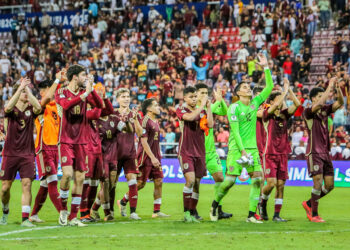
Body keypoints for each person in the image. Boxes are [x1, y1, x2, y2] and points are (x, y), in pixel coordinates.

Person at [210, 54, 273, 223]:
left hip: (252, 148)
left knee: (257, 180)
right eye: (244, 86)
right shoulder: (233, 108)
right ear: (238, 92)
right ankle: (215, 204)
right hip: (237, 149)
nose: (248, 88)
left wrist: (266, 67)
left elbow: (270, 87)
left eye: (248, 86)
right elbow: (235, 132)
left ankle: (251, 215)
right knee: (230, 181)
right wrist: (243, 151)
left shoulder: (254, 104)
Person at [55, 65, 103, 227]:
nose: (85, 78)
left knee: (81, 178)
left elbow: (99, 105)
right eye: (84, 75)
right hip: (66, 140)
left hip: (82, 141)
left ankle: (74, 216)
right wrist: (86, 95)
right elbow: (66, 105)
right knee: (67, 175)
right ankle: (63, 209)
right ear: (74, 77)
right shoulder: (61, 92)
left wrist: (92, 90)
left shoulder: (85, 92)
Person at [0, 77, 41, 227]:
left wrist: (27, 89)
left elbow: (38, 107)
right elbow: (7, 108)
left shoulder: (31, 108)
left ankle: (25, 219)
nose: (25, 93)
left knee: (27, 184)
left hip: (27, 153)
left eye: (26, 91)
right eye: (23, 91)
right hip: (10, 153)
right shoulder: (11, 109)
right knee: (5, 189)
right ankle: (5, 211)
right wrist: (20, 88)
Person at [302, 77, 344, 223]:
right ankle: (314, 214)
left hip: (325, 152)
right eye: (320, 96)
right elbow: (320, 103)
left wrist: (337, 88)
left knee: (330, 185)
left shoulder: (325, 110)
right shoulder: (308, 112)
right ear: (313, 98)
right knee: (318, 183)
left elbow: (340, 103)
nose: (323, 99)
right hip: (314, 152)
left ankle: (308, 203)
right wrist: (329, 85)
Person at [259, 78, 301, 222]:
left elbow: (297, 104)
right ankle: (262, 202)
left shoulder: (284, 115)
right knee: (271, 183)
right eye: (279, 99)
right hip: (270, 153)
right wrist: (283, 91)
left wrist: (289, 90)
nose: (282, 102)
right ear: (272, 102)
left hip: (283, 153)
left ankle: (277, 215)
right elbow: (275, 104)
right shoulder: (267, 114)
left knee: (281, 185)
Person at [29, 71, 66, 223]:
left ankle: (33, 215)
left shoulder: (56, 107)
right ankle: (63, 213)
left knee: (45, 183)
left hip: (55, 147)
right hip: (43, 148)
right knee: (52, 181)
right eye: (52, 89)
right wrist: (57, 79)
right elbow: (49, 97)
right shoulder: (40, 105)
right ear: (44, 91)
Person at [195, 84, 232, 221]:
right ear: (196, 95)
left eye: (206, 92)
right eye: (201, 93)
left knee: (220, 178)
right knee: (195, 183)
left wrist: (220, 99)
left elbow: (225, 112)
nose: (205, 95)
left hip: (210, 152)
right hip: (197, 152)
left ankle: (217, 208)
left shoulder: (210, 107)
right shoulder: (194, 110)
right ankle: (193, 210)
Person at [176, 86, 213, 222]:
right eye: (191, 97)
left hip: (200, 151)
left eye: (195, 96)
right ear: (185, 98)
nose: (193, 99)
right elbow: (191, 118)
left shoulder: (202, 110)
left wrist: (208, 108)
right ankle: (186, 214)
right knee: (190, 180)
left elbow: (210, 124)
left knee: (197, 183)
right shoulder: (181, 109)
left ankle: (192, 213)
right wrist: (202, 105)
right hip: (186, 150)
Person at [80, 83, 114, 222]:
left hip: (97, 149)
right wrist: (99, 99)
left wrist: (104, 98)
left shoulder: (96, 109)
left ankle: (88, 212)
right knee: (86, 182)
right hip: (87, 149)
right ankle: (82, 213)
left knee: (94, 183)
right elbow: (97, 111)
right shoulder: (84, 111)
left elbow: (110, 110)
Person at [134, 98, 170, 218]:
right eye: (156, 105)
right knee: (140, 183)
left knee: (159, 181)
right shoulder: (145, 121)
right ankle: (123, 201)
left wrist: (157, 156)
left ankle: (156, 211)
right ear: (149, 108)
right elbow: (143, 141)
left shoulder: (156, 121)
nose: (158, 107)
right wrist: (152, 157)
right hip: (146, 157)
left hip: (155, 157)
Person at [115, 88, 143, 220]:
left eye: (128, 96)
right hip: (114, 153)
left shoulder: (134, 114)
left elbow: (139, 133)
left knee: (132, 180)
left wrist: (135, 118)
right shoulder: (113, 114)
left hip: (130, 153)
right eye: (123, 96)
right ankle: (98, 208)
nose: (126, 99)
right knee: (110, 184)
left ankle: (133, 212)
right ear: (117, 99)